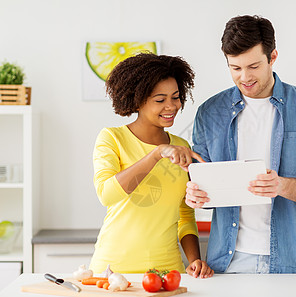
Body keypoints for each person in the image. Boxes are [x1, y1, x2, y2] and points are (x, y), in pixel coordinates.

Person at [185, 15, 296, 274]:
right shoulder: (210, 112)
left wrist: (281, 185)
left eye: (253, 66)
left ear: (272, 56)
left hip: (294, 259)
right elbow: (205, 185)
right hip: (229, 261)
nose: (245, 77)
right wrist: (196, 195)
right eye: (235, 68)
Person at [89, 52, 214, 278]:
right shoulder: (112, 138)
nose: (171, 106)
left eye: (175, 97)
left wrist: (195, 259)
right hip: (112, 270)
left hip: (167, 272)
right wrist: (156, 154)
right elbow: (107, 194)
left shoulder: (181, 146)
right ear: (137, 100)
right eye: (160, 100)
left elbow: (185, 215)